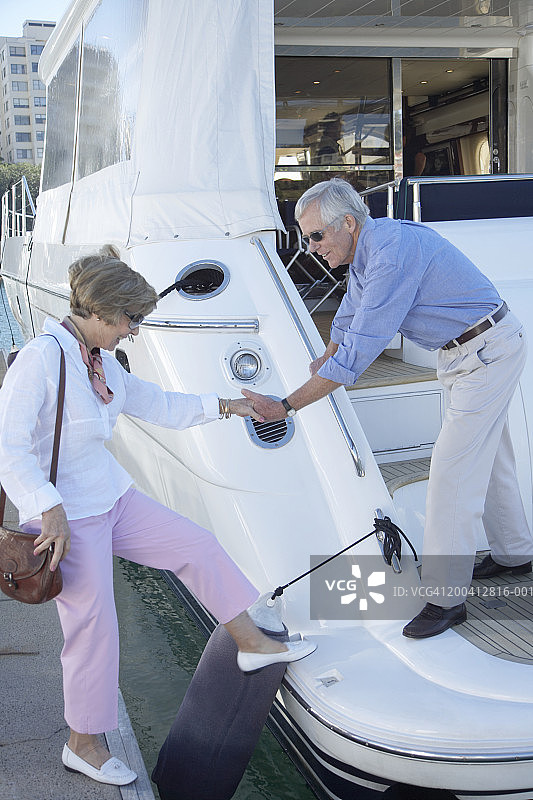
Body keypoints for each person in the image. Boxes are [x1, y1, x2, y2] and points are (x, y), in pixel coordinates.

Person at [0, 246, 315, 787]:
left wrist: (230, 405)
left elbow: (158, 404)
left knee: (196, 546)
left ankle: (252, 644)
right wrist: (45, 506)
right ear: (100, 313)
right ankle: (84, 743)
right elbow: (9, 447)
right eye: (130, 320)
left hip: (112, 497)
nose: (134, 331)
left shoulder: (96, 360)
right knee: (94, 627)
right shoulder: (41, 360)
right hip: (67, 519)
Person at [242, 177, 533, 640]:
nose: (311, 247)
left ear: (348, 224)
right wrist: (328, 352)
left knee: (452, 473)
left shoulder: (392, 255)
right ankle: (516, 553)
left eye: (316, 236)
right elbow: (347, 318)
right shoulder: (368, 252)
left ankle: (446, 599)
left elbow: (358, 354)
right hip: (465, 352)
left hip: (486, 352)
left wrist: (286, 405)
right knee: (491, 456)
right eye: (306, 238)